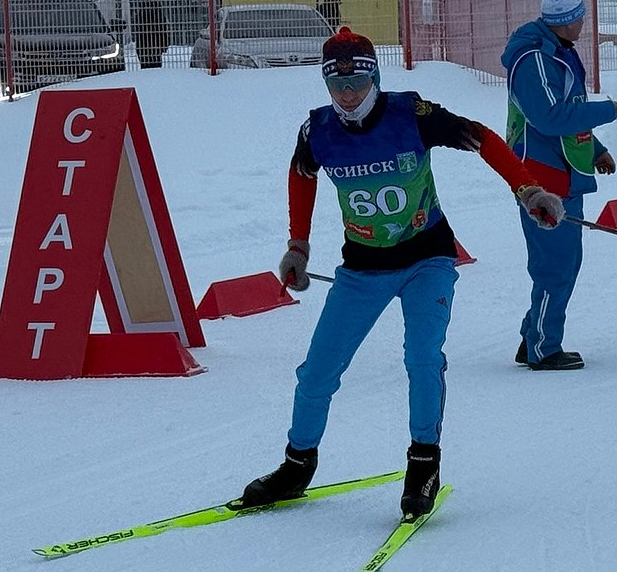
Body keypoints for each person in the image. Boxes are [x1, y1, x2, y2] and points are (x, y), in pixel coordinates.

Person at [239, 27, 566, 519]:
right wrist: (298, 245)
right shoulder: (318, 131)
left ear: (375, 76)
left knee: (421, 359)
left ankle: (423, 464)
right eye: (336, 83)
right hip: (362, 268)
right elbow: (301, 176)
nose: (348, 94)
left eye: (358, 81)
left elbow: (484, 139)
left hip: (426, 259)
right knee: (317, 371)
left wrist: (529, 191)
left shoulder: (410, 115)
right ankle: (297, 466)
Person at [502, 0, 617, 371]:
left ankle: (533, 337)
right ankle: (543, 347)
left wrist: (596, 149)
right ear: (566, 20)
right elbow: (550, 116)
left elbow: (570, 106)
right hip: (541, 179)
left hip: (565, 170)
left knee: (565, 263)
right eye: (579, 17)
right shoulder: (534, 59)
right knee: (555, 265)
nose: (583, 24)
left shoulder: (561, 50)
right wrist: (606, 110)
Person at [131, 0, 169, 69]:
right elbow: (161, 28)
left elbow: (137, 27)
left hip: (142, 45)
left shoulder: (141, 8)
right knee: (156, 68)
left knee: (145, 68)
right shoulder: (156, 9)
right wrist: (164, 44)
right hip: (155, 44)